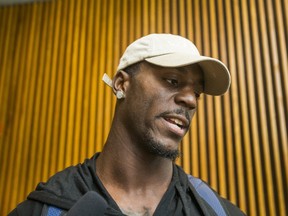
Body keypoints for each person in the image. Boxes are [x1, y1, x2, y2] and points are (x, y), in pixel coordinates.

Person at [9, 34, 245, 216]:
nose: (191, 101)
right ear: (121, 84)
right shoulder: (46, 208)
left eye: (197, 92)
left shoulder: (215, 210)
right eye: (173, 80)